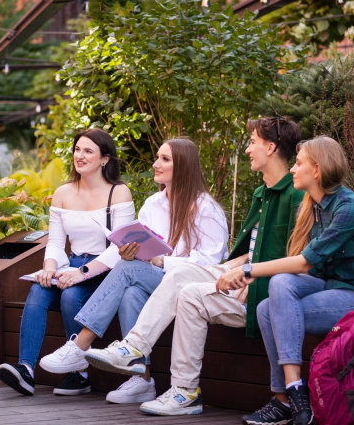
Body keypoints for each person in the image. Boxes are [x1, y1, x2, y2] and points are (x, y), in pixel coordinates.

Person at [84, 117, 305, 416]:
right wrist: (238, 265)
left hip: (266, 287)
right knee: (181, 275)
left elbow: (300, 257)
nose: (248, 149)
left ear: (271, 146)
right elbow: (249, 251)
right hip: (244, 273)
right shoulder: (261, 193)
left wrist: (251, 273)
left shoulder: (297, 195)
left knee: (185, 289)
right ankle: (139, 354)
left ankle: (176, 383)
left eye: (252, 142)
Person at [38, 138, 229, 405]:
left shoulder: (206, 209)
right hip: (156, 280)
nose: (156, 164)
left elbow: (210, 265)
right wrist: (133, 252)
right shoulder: (153, 203)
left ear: (183, 166)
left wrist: (162, 262)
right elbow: (144, 250)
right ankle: (143, 380)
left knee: (128, 271)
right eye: (157, 157)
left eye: (165, 159)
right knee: (130, 291)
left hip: (192, 287)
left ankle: (80, 345)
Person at [225, 136, 354, 425]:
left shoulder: (349, 207)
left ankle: (290, 394)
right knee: (268, 303)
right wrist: (257, 276)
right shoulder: (314, 206)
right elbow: (304, 270)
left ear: (317, 170)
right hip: (333, 288)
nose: (292, 169)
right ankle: (288, 395)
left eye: (298, 164)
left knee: (275, 292)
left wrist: (249, 270)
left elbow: (305, 261)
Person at [0, 129, 135, 397]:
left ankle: (79, 374)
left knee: (70, 296)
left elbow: (119, 250)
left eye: (88, 151)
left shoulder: (118, 193)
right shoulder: (62, 193)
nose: (79, 156)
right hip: (70, 264)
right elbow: (56, 243)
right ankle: (26, 370)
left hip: (103, 269)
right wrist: (50, 267)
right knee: (38, 289)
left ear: (105, 159)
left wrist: (81, 272)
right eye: (77, 150)